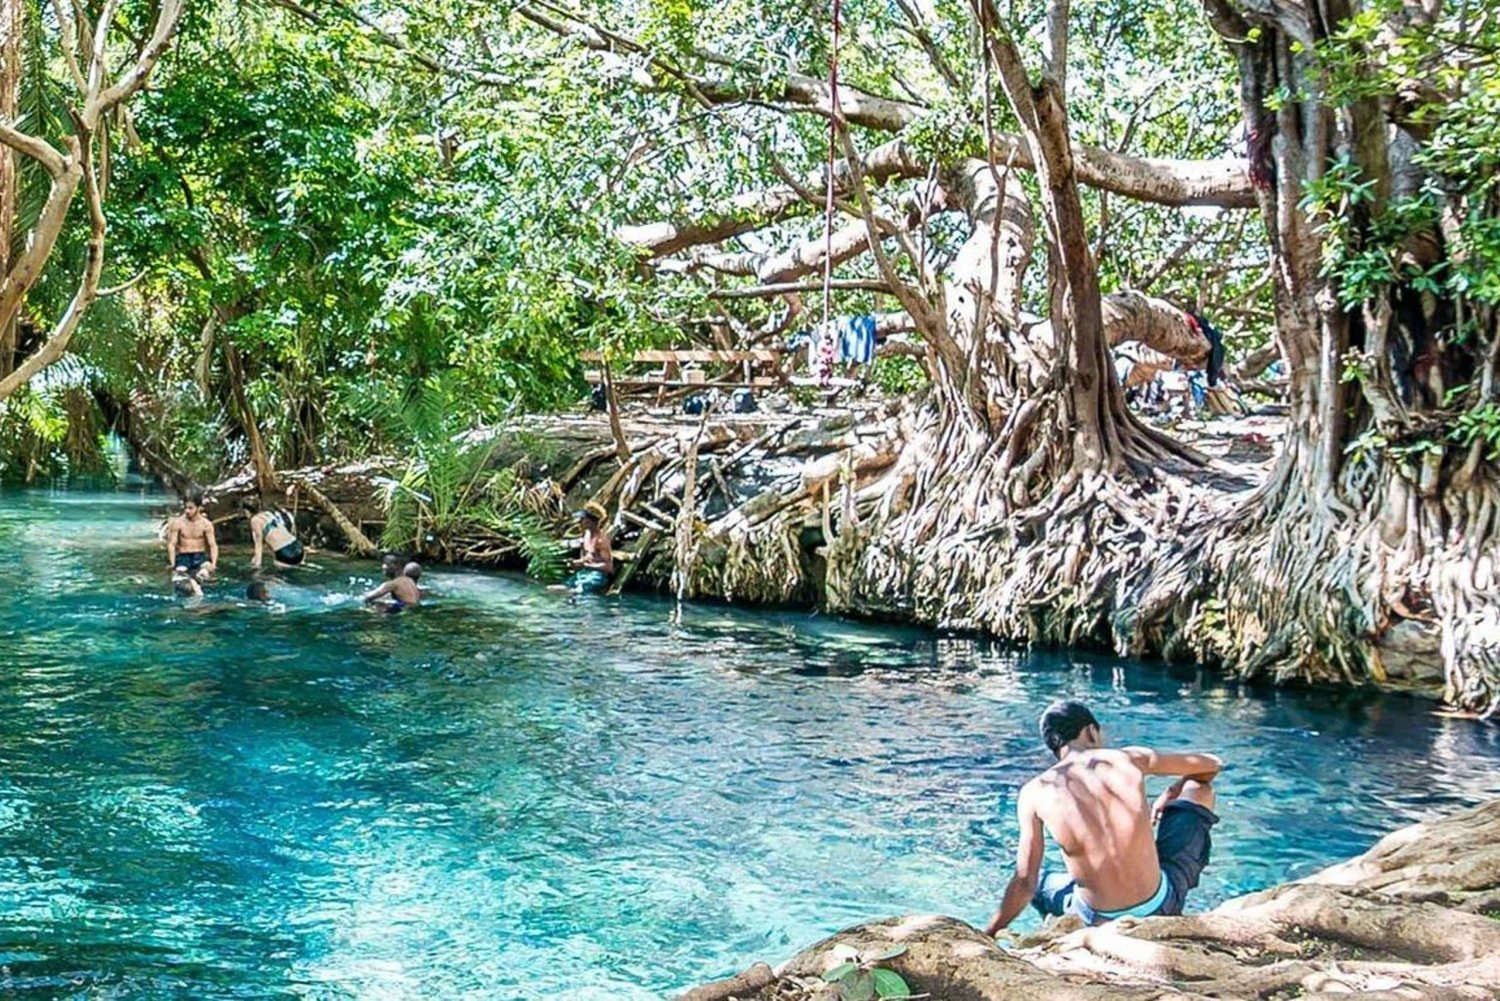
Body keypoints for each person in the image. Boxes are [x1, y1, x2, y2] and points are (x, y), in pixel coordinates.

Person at [983, 700, 1223, 934]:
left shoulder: (1033, 792)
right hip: (1162, 907)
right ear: (1090, 731)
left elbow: (1024, 882)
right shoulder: (1128, 758)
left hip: (1096, 921)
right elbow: (1212, 765)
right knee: (1200, 788)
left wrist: (990, 933)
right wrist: (1172, 791)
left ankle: (1061, 930)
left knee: (1042, 886)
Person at [561, 502, 613, 594]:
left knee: (574, 592)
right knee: (557, 589)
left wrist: (586, 565)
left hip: (596, 576)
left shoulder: (601, 540)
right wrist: (577, 563)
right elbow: (588, 557)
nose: (579, 522)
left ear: (591, 521)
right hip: (583, 573)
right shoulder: (586, 535)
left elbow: (608, 567)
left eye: (582, 519)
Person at [165, 494, 218, 579]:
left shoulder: (206, 524)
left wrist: (214, 564)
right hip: (183, 557)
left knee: (206, 574)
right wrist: (173, 563)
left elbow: (213, 545)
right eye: (186, 508)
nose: (187, 511)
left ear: (199, 508)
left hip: (200, 556)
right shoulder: (178, 523)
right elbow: (172, 544)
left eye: (191, 508)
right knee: (179, 576)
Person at [242, 496, 304, 568]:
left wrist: (257, 566)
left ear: (247, 511)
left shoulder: (255, 520)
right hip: (298, 547)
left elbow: (258, 545)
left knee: (279, 576)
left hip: (285, 553)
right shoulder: (268, 514)